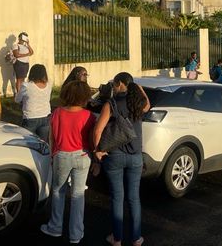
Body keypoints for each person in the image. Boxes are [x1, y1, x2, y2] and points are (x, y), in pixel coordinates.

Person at [93, 72, 149, 246]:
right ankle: (136, 238)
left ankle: (116, 239)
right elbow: (148, 103)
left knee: (117, 198)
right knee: (134, 198)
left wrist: (97, 151)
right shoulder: (139, 103)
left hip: (115, 156)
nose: (112, 87)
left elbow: (98, 130)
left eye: (114, 84)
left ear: (119, 84)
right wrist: (138, 87)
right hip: (136, 157)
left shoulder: (111, 104)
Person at [40, 80, 96, 244]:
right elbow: (91, 138)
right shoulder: (89, 116)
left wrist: (52, 156)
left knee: (58, 191)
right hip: (83, 156)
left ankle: (55, 227)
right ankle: (76, 234)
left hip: (62, 155)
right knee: (78, 194)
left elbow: (52, 137)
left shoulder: (57, 112)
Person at [15, 64, 53, 141]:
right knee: (43, 143)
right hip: (46, 116)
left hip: (30, 117)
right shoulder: (49, 84)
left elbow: (17, 100)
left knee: (29, 142)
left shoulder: (26, 86)